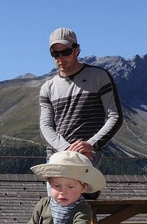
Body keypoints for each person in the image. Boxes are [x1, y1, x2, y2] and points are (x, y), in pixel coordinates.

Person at [38, 26, 122, 198]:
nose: (60, 58)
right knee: (58, 211)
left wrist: (91, 145)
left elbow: (115, 116)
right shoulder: (48, 87)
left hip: (87, 155)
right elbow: (45, 126)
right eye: (55, 54)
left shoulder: (99, 77)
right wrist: (67, 149)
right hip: (57, 156)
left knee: (83, 209)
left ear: (77, 50)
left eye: (66, 51)